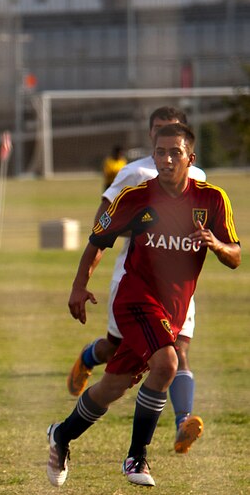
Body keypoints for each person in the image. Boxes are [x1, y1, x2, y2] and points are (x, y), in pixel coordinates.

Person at [48, 123, 240, 488]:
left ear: (190, 159)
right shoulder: (136, 198)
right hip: (134, 300)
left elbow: (236, 256)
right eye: (160, 153)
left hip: (172, 311)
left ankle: (61, 435)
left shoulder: (212, 200)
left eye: (175, 153)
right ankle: (137, 457)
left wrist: (216, 244)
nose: (166, 160)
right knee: (167, 363)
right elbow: (97, 240)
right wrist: (78, 286)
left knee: (112, 387)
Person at [67, 106, 208, 455]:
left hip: (178, 284)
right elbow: (104, 220)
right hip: (135, 278)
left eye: (173, 137)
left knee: (178, 351)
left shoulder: (199, 177)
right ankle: (88, 357)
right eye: (160, 133)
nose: (166, 150)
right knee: (116, 350)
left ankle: (182, 423)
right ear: (151, 136)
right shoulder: (133, 174)